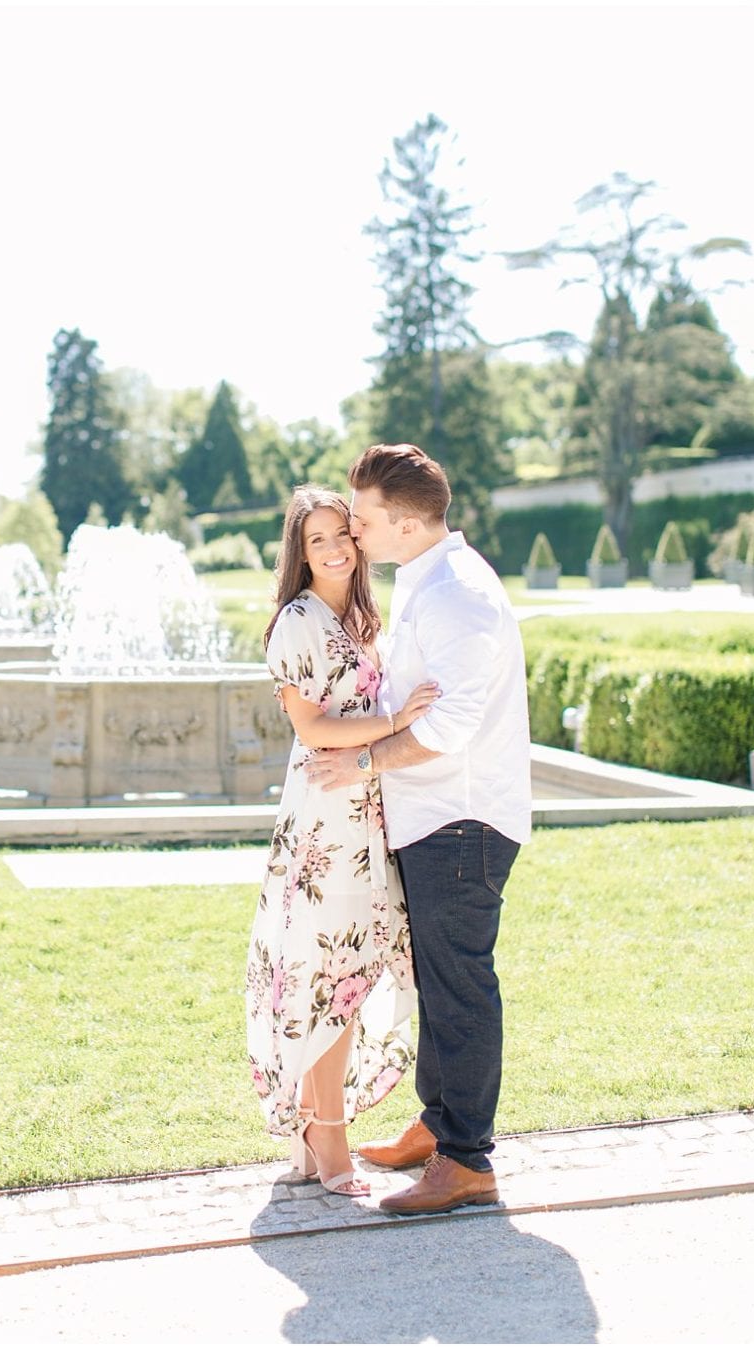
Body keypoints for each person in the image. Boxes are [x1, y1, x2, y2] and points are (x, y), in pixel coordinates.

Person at [305, 443, 532, 1215]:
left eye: (363, 518)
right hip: (432, 816)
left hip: (461, 820)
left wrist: (364, 762)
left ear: (404, 523)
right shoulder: (423, 582)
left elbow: (455, 725)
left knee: (461, 982)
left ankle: (468, 1159)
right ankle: (439, 1128)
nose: (354, 531)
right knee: (438, 978)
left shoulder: (457, 596)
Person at [245, 486, 440, 1197]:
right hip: (326, 811)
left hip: (365, 806)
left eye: (340, 534)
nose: (331, 548)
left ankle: (316, 1121)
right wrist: (397, 725)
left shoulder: (359, 616)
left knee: (355, 969)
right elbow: (314, 730)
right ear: (299, 552)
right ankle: (327, 1133)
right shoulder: (297, 622)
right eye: (315, 539)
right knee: (333, 972)